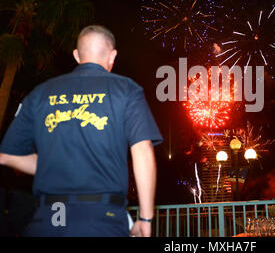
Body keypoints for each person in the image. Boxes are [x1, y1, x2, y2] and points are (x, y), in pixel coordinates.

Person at [0, 25, 163, 237]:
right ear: (113, 55)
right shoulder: (127, 90)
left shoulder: (39, 94)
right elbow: (142, 150)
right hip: (102, 219)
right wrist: (146, 218)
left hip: (48, 218)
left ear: (76, 55)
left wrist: (54, 162)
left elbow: (6, 155)